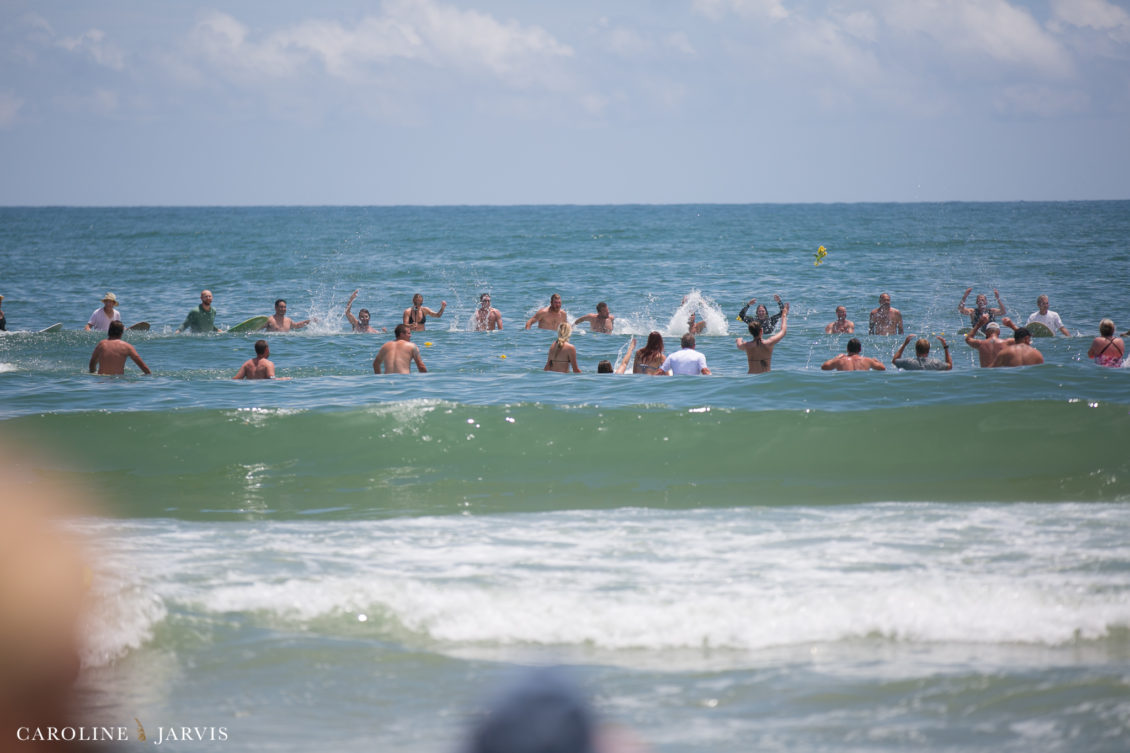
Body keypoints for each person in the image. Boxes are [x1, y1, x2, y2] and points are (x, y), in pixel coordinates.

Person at [736, 303, 789, 374]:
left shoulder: (747, 345)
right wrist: (784, 315)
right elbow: (783, 331)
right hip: (766, 378)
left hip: (750, 378)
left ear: (750, 332)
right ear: (761, 331)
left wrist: (739, 339)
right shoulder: (769, 343)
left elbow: (739, 345)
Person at [821, 338, 886, 371]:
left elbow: (823, 367)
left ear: (847, 349)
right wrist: (876, 360)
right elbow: (883, 368)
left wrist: (836, 358)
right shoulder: (868, 361)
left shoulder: (839, 361)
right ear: (860, 350)